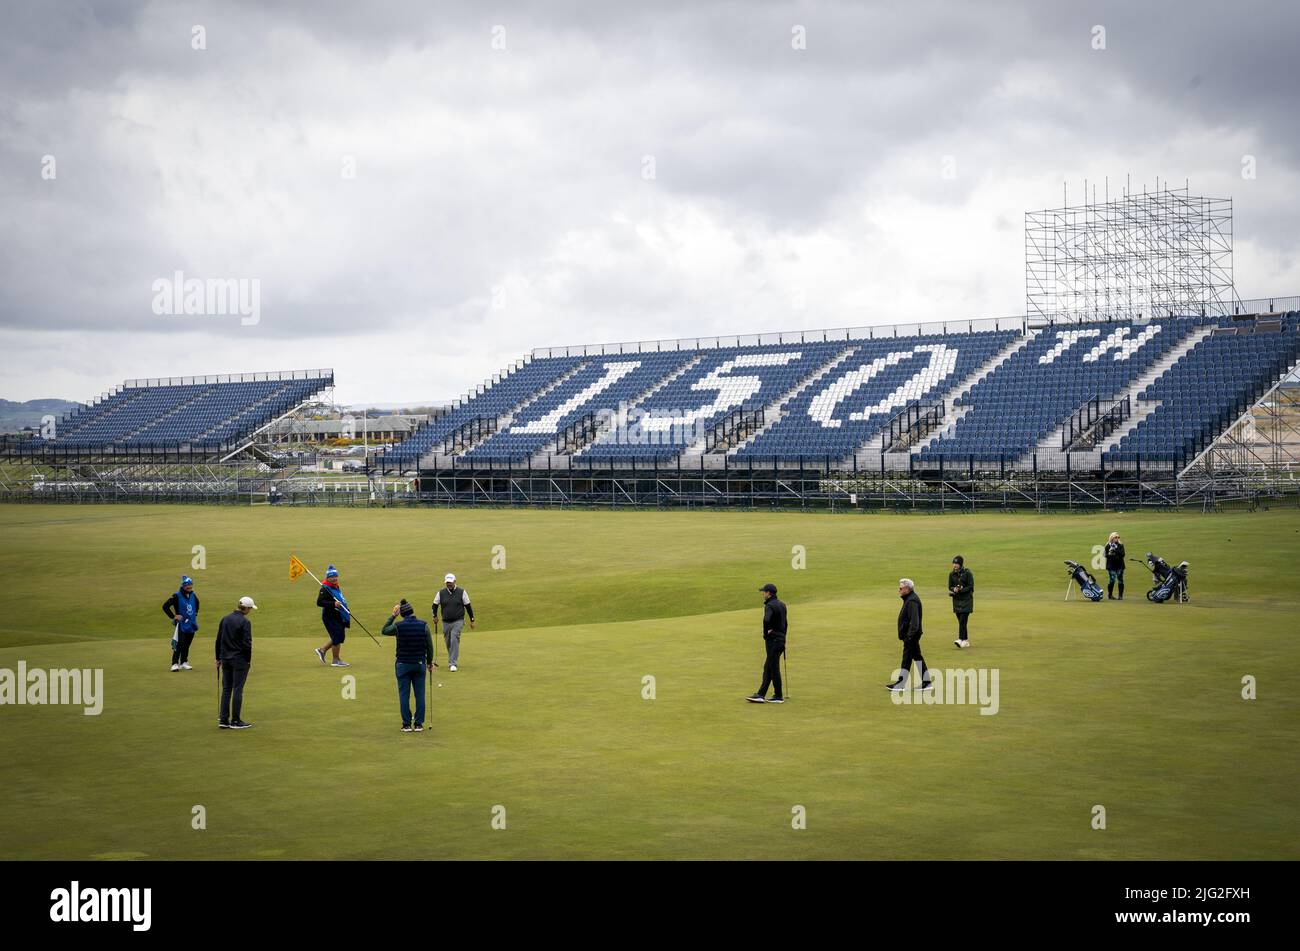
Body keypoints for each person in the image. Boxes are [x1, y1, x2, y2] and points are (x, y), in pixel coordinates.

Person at [382, 599, 436, 733]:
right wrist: (429, 662)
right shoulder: (423, 625)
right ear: (412, 612)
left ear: (402, 614)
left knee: (404, 695)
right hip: (419, 664)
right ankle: (418, 724)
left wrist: (393, 616)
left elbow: (384, 630)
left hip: (402, 664)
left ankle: (406, 725)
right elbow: (429, 646)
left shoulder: (398, 626)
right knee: (420, 695)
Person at [216, 596, 256, 729]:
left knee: (226, 689)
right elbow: (247, 644)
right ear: (247, 608)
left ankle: (223, 719)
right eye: (250, 608)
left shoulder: (225, 619)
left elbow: (218, 640)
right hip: (239, 660)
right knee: (238, 689)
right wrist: (248, 660)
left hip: (225, 659)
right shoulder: (245, 622)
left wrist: (218, 658)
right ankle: (235, 720)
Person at [887, 579, 932, 692]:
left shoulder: (912, 601)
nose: (899, 590)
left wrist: (909, 636)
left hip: (912, 636)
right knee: (916, 657)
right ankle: (926, 682)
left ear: (907, 589)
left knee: (907, 658)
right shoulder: (909, 599)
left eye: (901, 588)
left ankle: (901, 684)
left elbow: (915, 622)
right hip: (911, 635)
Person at [746, 583, 786, 703]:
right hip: (781, 639)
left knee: (773, 668)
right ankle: (761, 694)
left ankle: (778, 695)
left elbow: (766, 619)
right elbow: (785, 623)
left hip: (773, 641)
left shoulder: (769, 605)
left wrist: (766, 633)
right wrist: (784, 637)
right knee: (769, 667)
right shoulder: (782, 605)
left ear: (769, 593)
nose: (763, 594)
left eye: (764, 592)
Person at [432, 573, 475, 672]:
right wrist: (434, 616)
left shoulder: (462, 592)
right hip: (445, 622)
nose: (449, 584)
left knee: (454, 639)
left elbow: (468, 606)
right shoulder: (441, 593)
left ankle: (453, 663)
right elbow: (434, 605)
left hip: (458, 620)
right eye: (447, 582)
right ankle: (452, 658)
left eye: (450, 582)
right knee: (448, 641)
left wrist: (472, 620)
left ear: (455, 581)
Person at [314, 564, 351, 667]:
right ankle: (336, 660)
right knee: (337, 637)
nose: (334, 578)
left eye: (335, 576)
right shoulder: (325, 588)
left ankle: (322, 650)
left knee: (338, 636)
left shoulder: (335, 586)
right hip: (330, 616)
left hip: (338, 615)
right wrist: (333, 604)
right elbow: (319, 602)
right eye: (332, 577)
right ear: (328, 578)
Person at [163, 575, 200, 671]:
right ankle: (174, 663)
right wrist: (174, 616)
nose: (190, 587)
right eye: (188, 585)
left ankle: (184, 662)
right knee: (180, 644)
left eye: (191, 585)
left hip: (191, 624)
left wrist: (195, 614)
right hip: (181, 624)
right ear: (183, 586)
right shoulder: (176, 596)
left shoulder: (192, 594)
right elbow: (165, 606)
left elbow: (197, 603)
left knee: (187, 644)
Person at [948, 555, 974, 648]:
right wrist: (954, 589)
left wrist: (961, 590)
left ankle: (960, 639)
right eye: (954, 563)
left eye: (957, 564)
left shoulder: (967, 573)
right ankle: (965, 640)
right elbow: (949, 586)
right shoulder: (951, 574)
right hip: (957, 601)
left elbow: (971, 586)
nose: (955, 565)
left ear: (961, 564)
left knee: (963, 620)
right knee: (961, 621)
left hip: (966, 601)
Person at [1104, 532, 1126, 600]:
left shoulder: (1120, 545)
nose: (1117, 538)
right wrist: (1110, 553)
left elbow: (1123, 554)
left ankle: (1120, 596)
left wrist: (1115, 549)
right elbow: (1105, 555)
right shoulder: (1108, 545)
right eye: (1116, 537)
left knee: (1120, 580)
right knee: (1112, 580)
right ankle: (1110, 595)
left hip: (1119, 565)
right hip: (1111, 565)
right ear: (1112, 538)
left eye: (1118, 537)